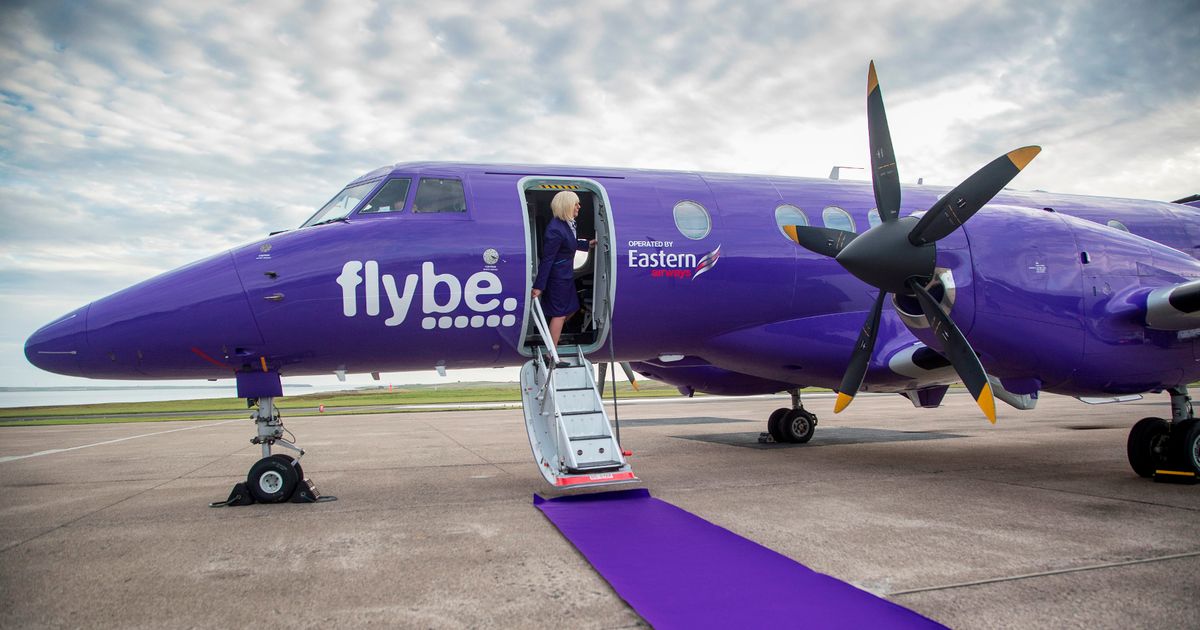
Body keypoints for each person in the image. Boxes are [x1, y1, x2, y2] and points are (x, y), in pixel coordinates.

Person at [531, 191, 595, 347]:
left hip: (566, 278)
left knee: (573, 308)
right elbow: (548, 259)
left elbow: (569, 243)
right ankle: (551, 352)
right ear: (566, 205)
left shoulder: (567, 224)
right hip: (557, 279)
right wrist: (539, 286)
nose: (579, 206)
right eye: (576, 203)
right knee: (559, 315)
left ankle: (552, 333)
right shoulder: (555, 229)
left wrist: (588, 244)